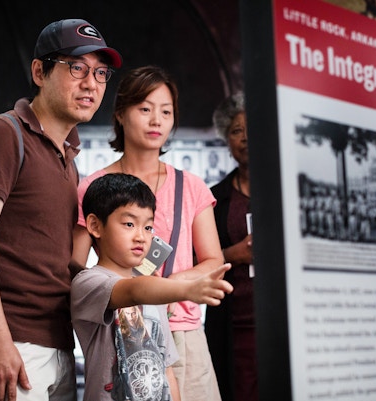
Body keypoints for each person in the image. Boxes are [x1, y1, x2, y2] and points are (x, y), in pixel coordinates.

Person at [0, 18, 122, 401]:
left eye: (100, 73)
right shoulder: (2, 135)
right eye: (77, 68)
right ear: (39, 72)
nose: (91, 84)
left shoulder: (67, 156)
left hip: (55, 341)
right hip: (7, 341)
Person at [72, 65, 225, 401]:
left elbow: (213, 260)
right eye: (145, 109)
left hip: (183, 330)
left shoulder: (191, 186)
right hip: (122, 328)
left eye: (166, 112)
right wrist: (132, 292)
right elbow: (75, 265)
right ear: (120, 113)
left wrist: (168, 290)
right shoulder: (93, 187)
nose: (157, 120)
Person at [71, 173, 233, 401]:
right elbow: (133, 291)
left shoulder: (154, 295)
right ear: (95, 226)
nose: (141, 236)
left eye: (148, 227)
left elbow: (167, 369)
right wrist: (186, 289)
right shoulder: (88, 283)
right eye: (129, 224)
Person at [205, 92, 255, 401]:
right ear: (227, 139)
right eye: (237, 130)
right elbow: (195, 259)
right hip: (233, 324)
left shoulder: (288, 191)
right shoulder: (215, 198)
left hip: (284, 321)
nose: (246, 137)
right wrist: (233, 254)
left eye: (252, 129)